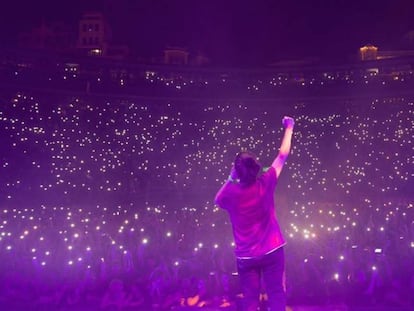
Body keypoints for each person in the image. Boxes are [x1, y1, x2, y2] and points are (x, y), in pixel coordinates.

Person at [215, 116, 295, 311]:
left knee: (250, 300)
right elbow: (283, 155)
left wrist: (230, 178)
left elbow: (217, 200)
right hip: (272, 250)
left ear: (236, 170)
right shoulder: (265, 183)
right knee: (276, 293)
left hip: (246, 256)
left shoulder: (232, 194)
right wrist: (289, 127)